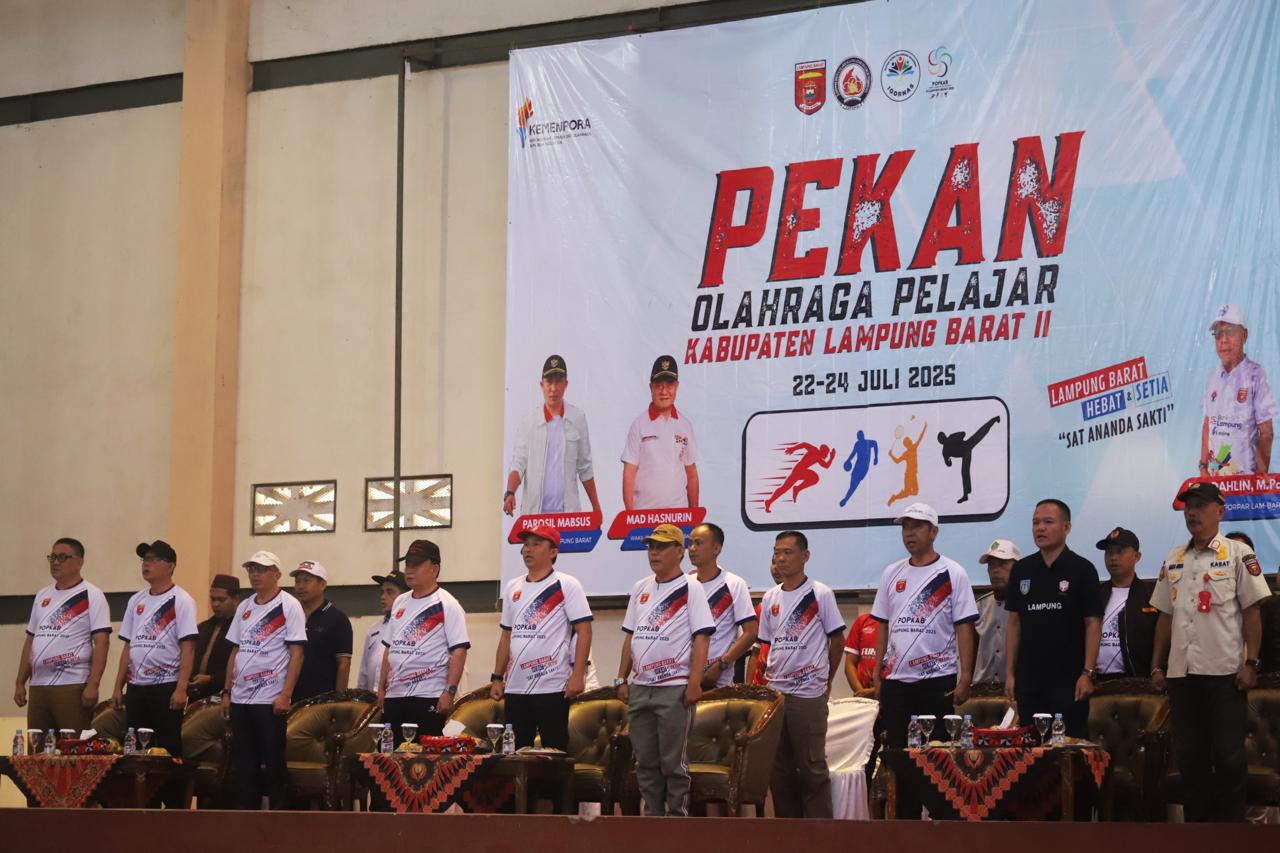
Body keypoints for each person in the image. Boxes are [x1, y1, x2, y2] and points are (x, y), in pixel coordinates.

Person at [1151, 482, 1270, 822]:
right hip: (1181, 675)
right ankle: (1197, 834)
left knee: (1229, 758)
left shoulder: (1238, 554)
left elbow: (1252, 612)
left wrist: (1251, 663)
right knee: (1190, 759)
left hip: (1225, 675)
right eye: (1188, 506)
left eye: (1200, 506)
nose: (1192, 513)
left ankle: (1230, 834)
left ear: (1220, 511)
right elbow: (1164, 615)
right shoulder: (1173, 558)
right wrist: (1157, 665)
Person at [871, 503, 979, 820]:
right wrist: (877, 672)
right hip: (896, 683)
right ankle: (905, 826)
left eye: (917, 526)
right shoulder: (892, 573)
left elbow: (964, 627)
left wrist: (966, 676)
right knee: (900, 758)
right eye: (905, 527)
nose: (909, 533)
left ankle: (940, 826)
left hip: (937, 681)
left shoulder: (952, 573)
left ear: (934, 531)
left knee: (937, 758)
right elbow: (882, 625)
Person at [616, 524, 714, 816]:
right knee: (645, 762)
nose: (654, 552)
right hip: (641, 687)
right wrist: (622, 678)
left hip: (674, 687)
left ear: (679, 551)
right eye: (651, 546)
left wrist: (694, 682)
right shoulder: (640, 588)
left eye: (661, 547)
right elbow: (631, 636)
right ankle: (653, 819)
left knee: (673, 763)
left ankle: (677, 821)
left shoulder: (691, 588)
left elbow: (702, 637)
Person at [758, 530, 845, 819]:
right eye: (776, 553)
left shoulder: (820, 594)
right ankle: (788, 831)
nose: (781, 558)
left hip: (808, 695)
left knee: (811, 768)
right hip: (776, 695)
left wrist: (826, 682)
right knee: (779, 770)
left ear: (805, 556)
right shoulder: (770, 597)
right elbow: (767, 646)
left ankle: (820, 833)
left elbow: (837, 641)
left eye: (787, 552)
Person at [1003, 499, 1103, 738]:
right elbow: (1014, 623)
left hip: (1069, 679)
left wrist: (1088, 673)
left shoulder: (1082, 569)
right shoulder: (1022, 569)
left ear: (1066, 527)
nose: (1040, 528)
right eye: (1035, 522)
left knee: (1069, 746)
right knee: (1031, 748)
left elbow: (1093, 623)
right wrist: (1010, 673)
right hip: (1029, 679)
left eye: (1048, 522)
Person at [111, 540, 198, 806]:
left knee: (168, 750)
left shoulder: (181, 600)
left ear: (170, 566)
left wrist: (181, 688)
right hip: (137, 686)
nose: (146, 564)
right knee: (137, 750)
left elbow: (188, 647)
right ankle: (143, 805)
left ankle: (174, 809)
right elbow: (129, 646)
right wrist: (118, 686)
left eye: (153, 559)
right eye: (144, 559)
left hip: (166, 686)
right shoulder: (136, 600)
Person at [491, 525, 593, 749]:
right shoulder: (512, 587)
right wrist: (497, 677)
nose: (528, 549)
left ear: (553, 552)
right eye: (526, 544)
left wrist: (578, 675)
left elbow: (584, 631)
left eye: (536, 544)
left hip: (552, 685)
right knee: (515, 752)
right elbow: (506, 635)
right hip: (516, 686)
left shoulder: (566, 584)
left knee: (554, 752)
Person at [222, 550, 307, 810]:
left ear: (276, 574)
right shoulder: (244, 607)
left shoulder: (289, 605)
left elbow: (297, 653)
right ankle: (246, 819)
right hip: (240, 699)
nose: (255, 574)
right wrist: (227, 692)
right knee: (244, 764)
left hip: (270, 699)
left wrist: (286, 694)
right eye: (251, 569)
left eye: (261, 569)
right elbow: (235, 651)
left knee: (273, 762)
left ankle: (279, 818)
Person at [14, 537, 111, 733]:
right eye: (52, 557)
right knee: (38, 746)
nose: (56, 562)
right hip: (39, 685)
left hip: (72, 684)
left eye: (62, 557)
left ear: (79, 562)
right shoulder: (42, 595)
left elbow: (102, 643)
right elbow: (31, 641)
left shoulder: (92, 595)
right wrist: (20, 682)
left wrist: (93, 684)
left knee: (72, 746)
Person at [379, 539, 469, 745]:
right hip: (395, 695)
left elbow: (459, 650)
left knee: (426, 756)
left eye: (417, 564)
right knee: (390, 754)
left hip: (428, 695)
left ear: (434, 569)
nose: (409, 570)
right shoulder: (400, 602)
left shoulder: (447, 604)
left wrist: (449, 692)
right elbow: (389, 648)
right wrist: (382, 688)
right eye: (408, 564)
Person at [504, 355, 602, 517]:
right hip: (535, 517)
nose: (553, 388)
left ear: (566, 384)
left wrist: (596, 508)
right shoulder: (529, 422)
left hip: (568, 517)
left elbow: (585, 468)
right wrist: (510, 493)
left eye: (558, 382)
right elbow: (518, 464)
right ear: (541, 385)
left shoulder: (577, 419)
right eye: (549, 382)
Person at [1200, 304, 1276, 475]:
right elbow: (1207, 425)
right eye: (1218, 334)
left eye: (1230, 331)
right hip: (1215, 479)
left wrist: (1258, 478)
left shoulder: (1256, 375)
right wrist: (1203, 467)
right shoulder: (1212, 378)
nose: (1223, 340)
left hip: (1244, 481)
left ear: (1244, 335)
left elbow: (1266, 432)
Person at [621, 356, 699, 509]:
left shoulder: (685, 425)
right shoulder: (639, 425)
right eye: (658, 385)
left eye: (669, 384)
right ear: (651, 387)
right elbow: (629, 473)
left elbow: (691, 473)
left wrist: (694, 514)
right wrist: (630, 515)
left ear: (677, 386)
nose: (664, 391)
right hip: (644, 514)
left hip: (678, 514)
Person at [686, 523, 757, 688]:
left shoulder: (734, 584)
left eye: (698, 543)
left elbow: (750, 632)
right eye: (690, 543)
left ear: (716, 549)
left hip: (717, 682)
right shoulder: (684, 584)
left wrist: (721, 665)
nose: (692, 549)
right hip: (682, 678)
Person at [1096, 527, 1158, 679]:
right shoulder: (1095, 595)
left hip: (1140, 681)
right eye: (1109, 552)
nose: (1113, 557)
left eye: (1120, 551)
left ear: (1137, 556)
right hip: (1098, 682)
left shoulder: (1152, 595)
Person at [291, 560, 353, 702]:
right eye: (297, 581)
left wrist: (339, 699)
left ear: (323, 584)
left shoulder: (338, 619)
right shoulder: (290, 615)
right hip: (290, 699)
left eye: (306, 581)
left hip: (323, 700)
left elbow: (344, 664)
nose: (300, 586)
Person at [973, 539, 1020, 684]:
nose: (995, 570)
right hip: (980, 689)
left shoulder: (1029, 607)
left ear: (1018, 567)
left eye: (1002, 563)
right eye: (991, 565)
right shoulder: (978, 607)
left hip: (1017, 689)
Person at [189, 574, 241, 701]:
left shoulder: (242, 629)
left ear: (236, 600)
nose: (215, 604)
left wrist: (211, 679)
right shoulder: (204, 627)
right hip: (197, 695)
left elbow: (241, 667)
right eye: (212, 599)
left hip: (225, 696)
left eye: (221, 600)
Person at [358, 569, 408, 692]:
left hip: (398, 696)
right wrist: (361, 695)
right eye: (382, 592)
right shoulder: (374, 629)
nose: (383, 597)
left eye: (389, 592)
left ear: (405, 596)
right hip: (371, 698)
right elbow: (364, 670)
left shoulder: (411, 628)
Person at [937, 416, 1001, 503]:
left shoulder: (951, 438)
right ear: (940, 442)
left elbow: (963, 433)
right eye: (941, 440)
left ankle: (994, 419)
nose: (943, 440)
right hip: (965, 454)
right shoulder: (945, 451)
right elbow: (947, 463)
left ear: (945, 436)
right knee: (964, 472)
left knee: (980, 432)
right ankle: (966, 494)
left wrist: (955, 439)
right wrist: (949, 462)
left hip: (967, 445)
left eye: (943, 437)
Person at [763, 442, 835, 513]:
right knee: (784, 488)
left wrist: (831, 458)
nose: (826, 456)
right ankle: (769, 502)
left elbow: (826, 466)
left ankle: (797, 489)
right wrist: (793, 449)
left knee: (815, 478)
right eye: (826, 454)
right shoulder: (814, 450)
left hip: (802, 471)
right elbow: (804, 444)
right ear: (823, 452)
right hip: (798, 471)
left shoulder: (818, 458)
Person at [887, 421, 926, 506]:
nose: (911, 441)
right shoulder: (906, 453)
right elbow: (897, 461)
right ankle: (894, 497)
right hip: (909, 475)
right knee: (907, 493)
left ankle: (902, 493)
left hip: (914, 474)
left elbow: (920, 437)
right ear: (907, 444)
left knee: (915, 492)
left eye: (910, 440)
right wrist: (891, 455)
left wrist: (924, 428)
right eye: (909, 441)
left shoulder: (914, 447)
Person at [839, 429, 879, 507]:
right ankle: (846, 498)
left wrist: (876, 457)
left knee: (854, 485)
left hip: (863, 467)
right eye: (859, 436)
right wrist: (848, 460)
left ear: (863, 436)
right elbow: (853, 454)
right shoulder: (857, 444)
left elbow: (875, 443)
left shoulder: (868, 443)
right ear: (858, 437)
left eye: (861, 435)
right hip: (858, 466)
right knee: (852, 484)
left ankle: (846, 499)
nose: (860, 437)